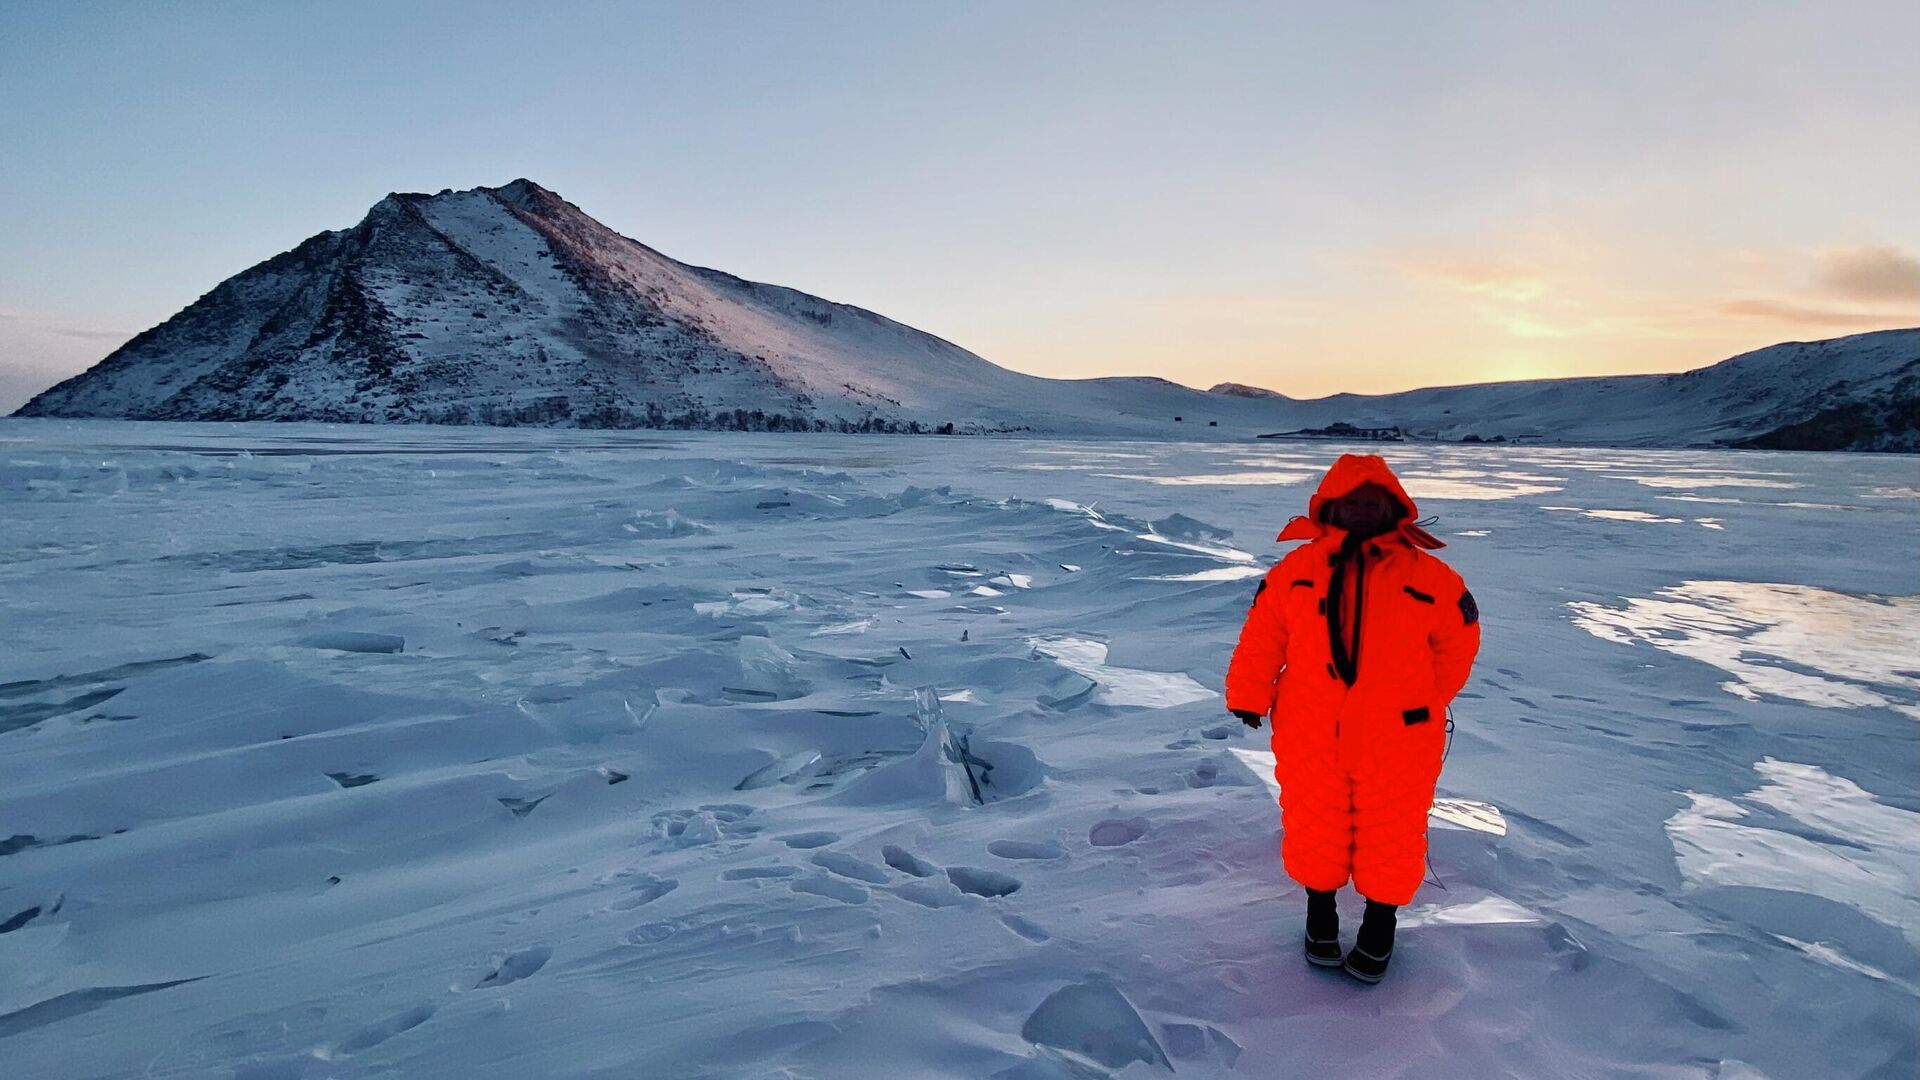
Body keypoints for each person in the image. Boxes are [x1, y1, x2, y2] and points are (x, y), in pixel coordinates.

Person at [1224, 453, 1481, 983]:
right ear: (1330, 508)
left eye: (1375, 501)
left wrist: (1424, 698)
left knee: (1393, 826)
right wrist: (1249, 695)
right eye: (1353, 502)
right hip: (1309, 726)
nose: (1364, 510)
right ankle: (1320, 915)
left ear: (1395, 508)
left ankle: (1379, 924)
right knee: (1314, 819)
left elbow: (1459, 641)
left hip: (1400, 735)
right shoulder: (1296, 572)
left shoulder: (1430, 576)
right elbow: (1262, 637)